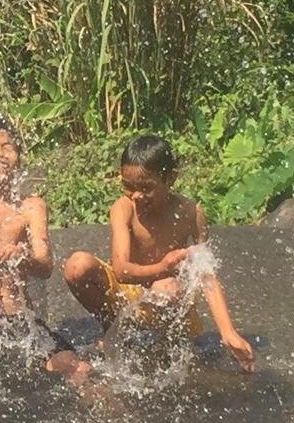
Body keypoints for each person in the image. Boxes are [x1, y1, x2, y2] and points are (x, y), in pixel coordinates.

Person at [63, 134, 254, 372]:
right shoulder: (124, 208)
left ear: (170, 178)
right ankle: (114, 329)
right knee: (77, 265)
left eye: (146, 187)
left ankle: (168, 345)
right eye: (128, 187)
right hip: (130, 293)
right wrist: (162, 267)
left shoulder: (190, 213)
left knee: (167, 287)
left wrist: (228, 332)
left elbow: (206, 272)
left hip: (171, 298)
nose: (136, 196)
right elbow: (121, 270)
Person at [0, 116, 87, 386]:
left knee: (76, 365)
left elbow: (45, 266)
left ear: (18, 158)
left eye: (7, 146)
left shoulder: (31, 206)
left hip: (22, 320)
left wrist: (23, 258)